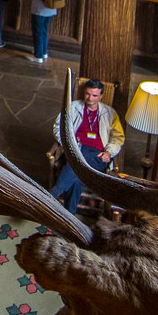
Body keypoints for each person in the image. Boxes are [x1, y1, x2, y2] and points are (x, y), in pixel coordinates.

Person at [51, 78, 125, 214]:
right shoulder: (73, 107)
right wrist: (67, 143)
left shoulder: (110, 113)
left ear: (101, 96)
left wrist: (109, 152)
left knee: (77, 164)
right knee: (78, 177)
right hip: (76, 148)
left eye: (94, 95)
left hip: (97, 155)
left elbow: (118, 137)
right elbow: (58, 127)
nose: (90, 98)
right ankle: (69, 217)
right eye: (87, 94)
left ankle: (52, 195)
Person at [27, 0, 60, 64]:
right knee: (44, 30)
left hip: (39, 9)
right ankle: (43, 52)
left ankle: (38, 56)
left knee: (38, 32)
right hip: (50, 9)